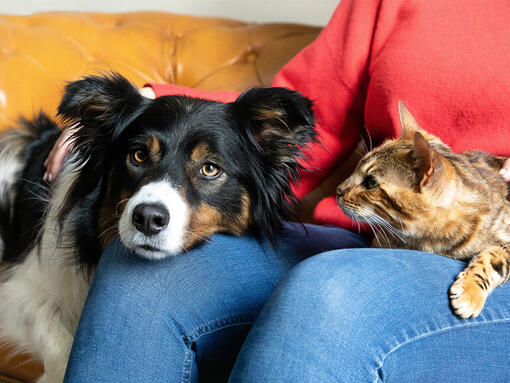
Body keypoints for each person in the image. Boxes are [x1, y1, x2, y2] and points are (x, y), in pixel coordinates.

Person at [44, 1, 510, 381]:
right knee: (138, 273)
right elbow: (310, 115)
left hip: (490, 263)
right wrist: (138, 106)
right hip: (372, 234)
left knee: (330, 290)